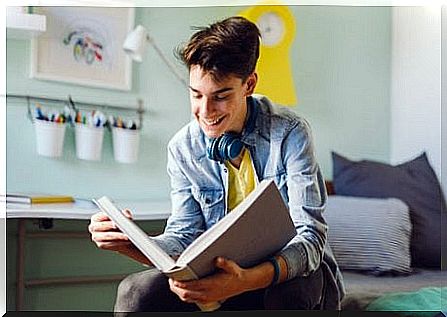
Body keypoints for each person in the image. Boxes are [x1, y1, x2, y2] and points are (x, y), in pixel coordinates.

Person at [88, 16, 345, 313]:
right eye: (196, 95)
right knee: (135, 293)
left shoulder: (289, 133)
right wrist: (131, 242)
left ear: (249, 84)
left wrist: (243, 281)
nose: (205, 111)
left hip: (289, 276)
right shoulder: (183, 148)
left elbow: (309, 239)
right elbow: (183, 236)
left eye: (221, 97)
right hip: (222, 279)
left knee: (288, 294)